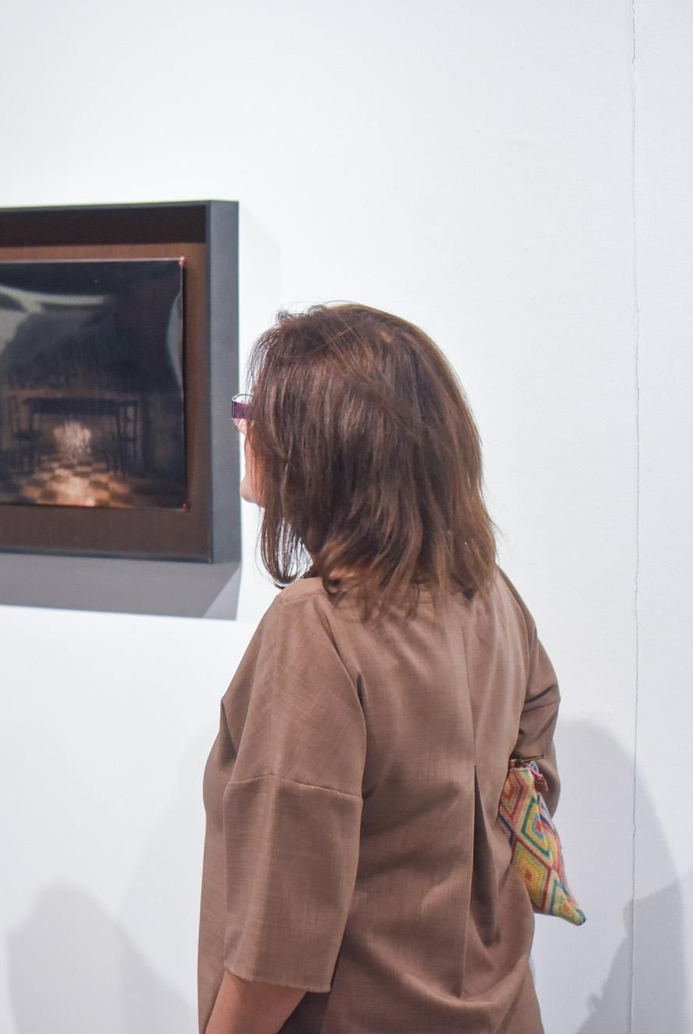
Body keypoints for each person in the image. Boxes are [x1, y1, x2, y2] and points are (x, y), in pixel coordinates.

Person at [199, 303, 565, 1033]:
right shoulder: (489, 593)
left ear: (321, 447)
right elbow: (532, 779)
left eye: (257, 412)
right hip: (501, 1010)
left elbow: (280, 942)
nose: (243, 427)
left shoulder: (318, 627)